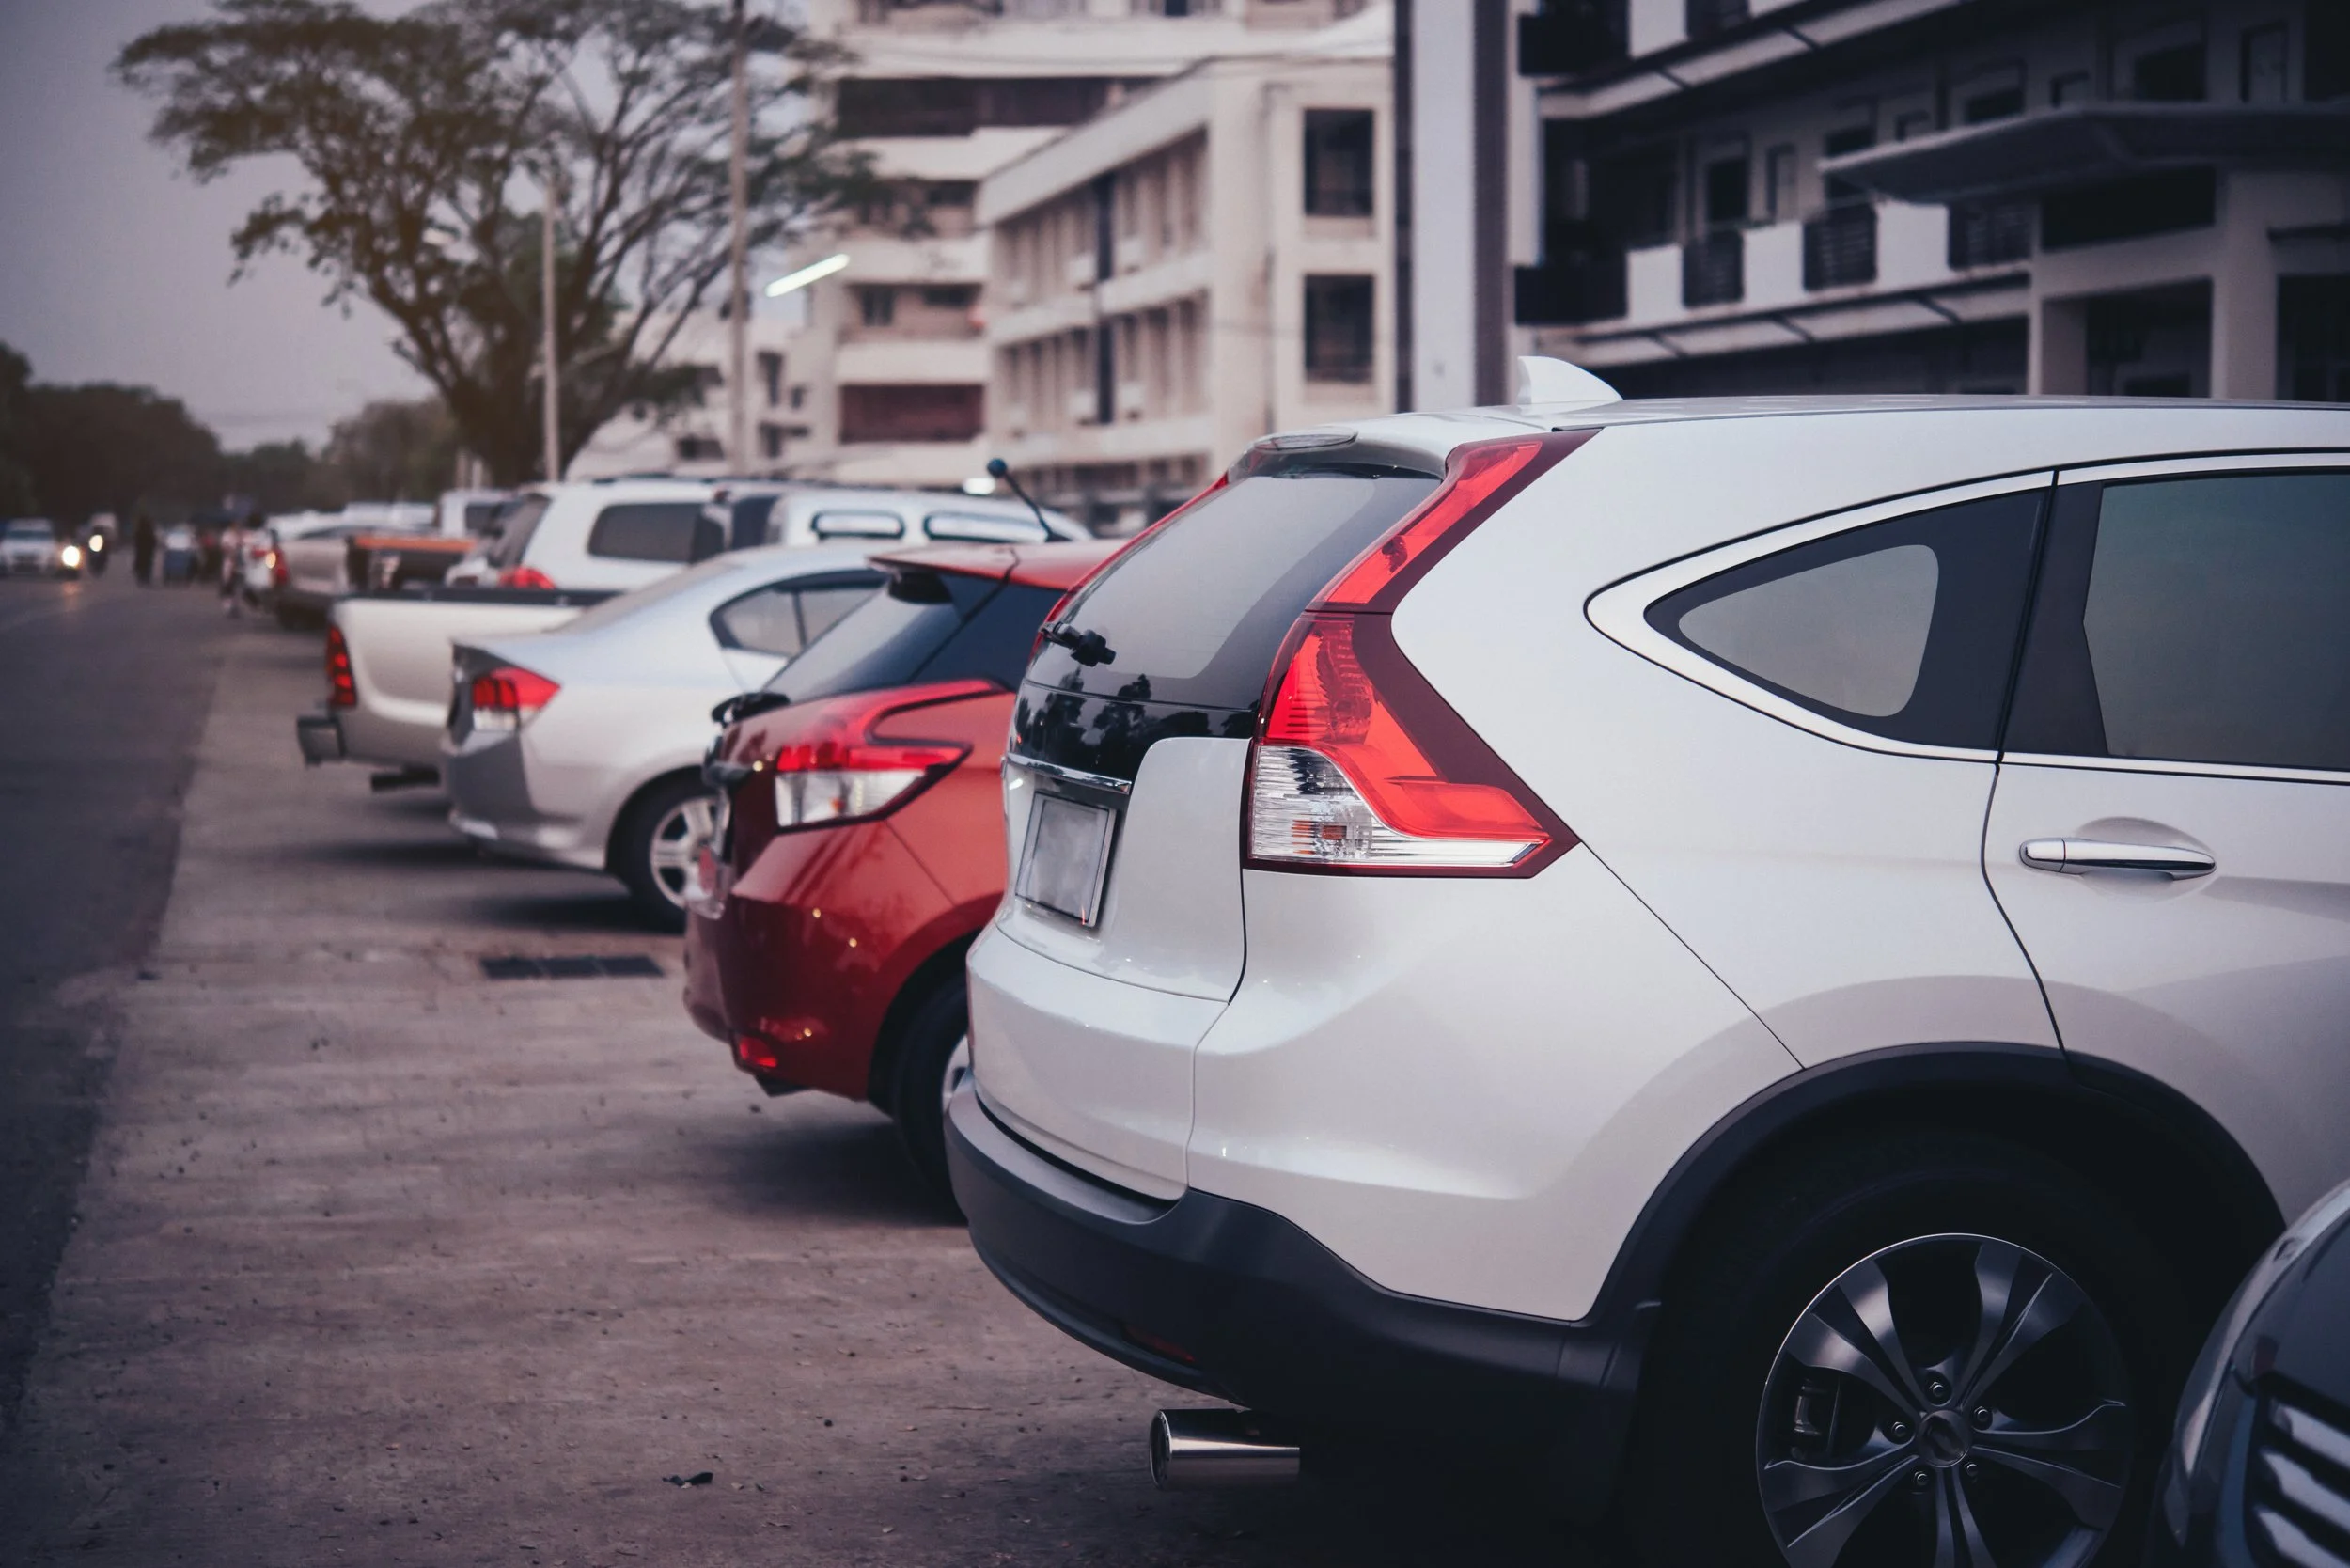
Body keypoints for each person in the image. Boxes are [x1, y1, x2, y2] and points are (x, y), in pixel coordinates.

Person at [133, 513, 156, 586]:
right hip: (146, 552)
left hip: (142, 552)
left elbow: (136, 541)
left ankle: (142, 579)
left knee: (143, 565)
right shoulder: (148, 531)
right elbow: (153, 541)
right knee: (147, 565)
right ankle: (145, 579)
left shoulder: (140, 530)